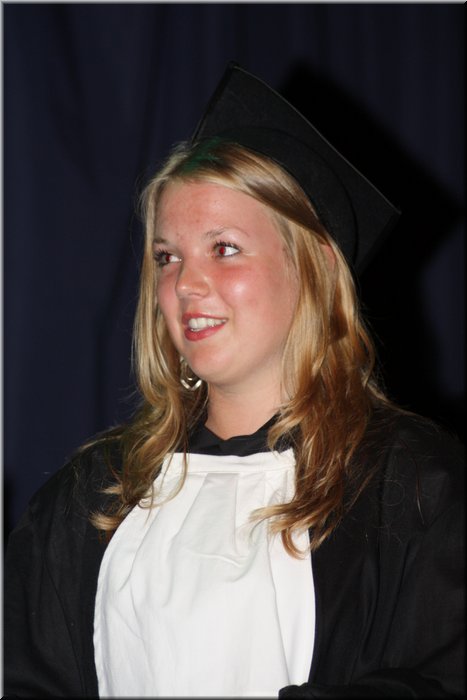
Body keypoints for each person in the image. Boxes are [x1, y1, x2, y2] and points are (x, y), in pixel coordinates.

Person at [4, 63, 464, 698]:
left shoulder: (411, 488)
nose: (184, 285)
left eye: (223, 248)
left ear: (314, 266)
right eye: (167, 257)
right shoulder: (95, 494)